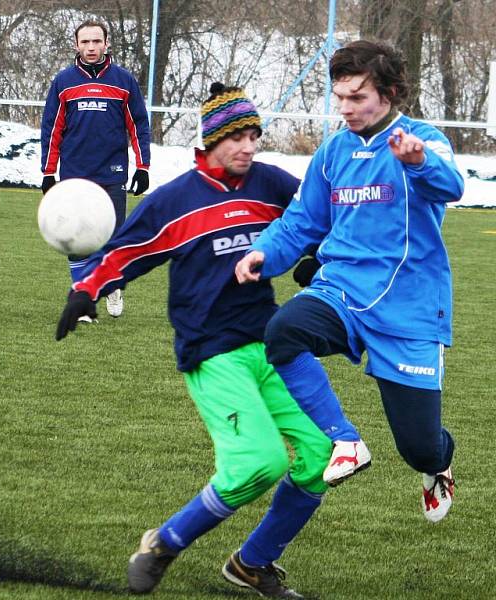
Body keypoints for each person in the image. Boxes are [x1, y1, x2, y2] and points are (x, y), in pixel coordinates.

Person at [57, 83, 331, 599]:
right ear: (210, 140)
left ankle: (252, 564)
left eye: (254, 135)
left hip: (271, 345)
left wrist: (316, 257)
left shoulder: (271, 185)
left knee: (324, 454)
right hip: (213, 352)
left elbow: (313, 222)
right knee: (259, 462)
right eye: (238, 137)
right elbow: (125, 252)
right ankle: (163, 543)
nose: (249, 147)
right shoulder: (175, 200)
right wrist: (85, 290)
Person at [235, 40, 462, 522]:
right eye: (340, 97)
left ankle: (437, 465)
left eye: (357, 97)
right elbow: (301, 221)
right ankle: (345, 440)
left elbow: (451, 185)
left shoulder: (422, 139)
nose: (345, 108)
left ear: (389, 93)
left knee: (418, 447)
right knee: (284, 331)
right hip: (340, 288)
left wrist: (418, 162)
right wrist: (264, 252)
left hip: (410, 307)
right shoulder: (333, 151)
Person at [40, 20, 151, 320]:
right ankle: (83, 301)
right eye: (85, 42)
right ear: (76, 45)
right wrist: (48, 172)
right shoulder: (63, 82)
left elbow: (139, 125)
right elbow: (52, 130)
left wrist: (143, 166)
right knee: (75, 238)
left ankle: (112, 285)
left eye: (96, 41)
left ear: (106, 44)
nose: (91, 47)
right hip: (74, 176)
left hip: (112, 173)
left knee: (114, 239)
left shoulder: (123, 81)